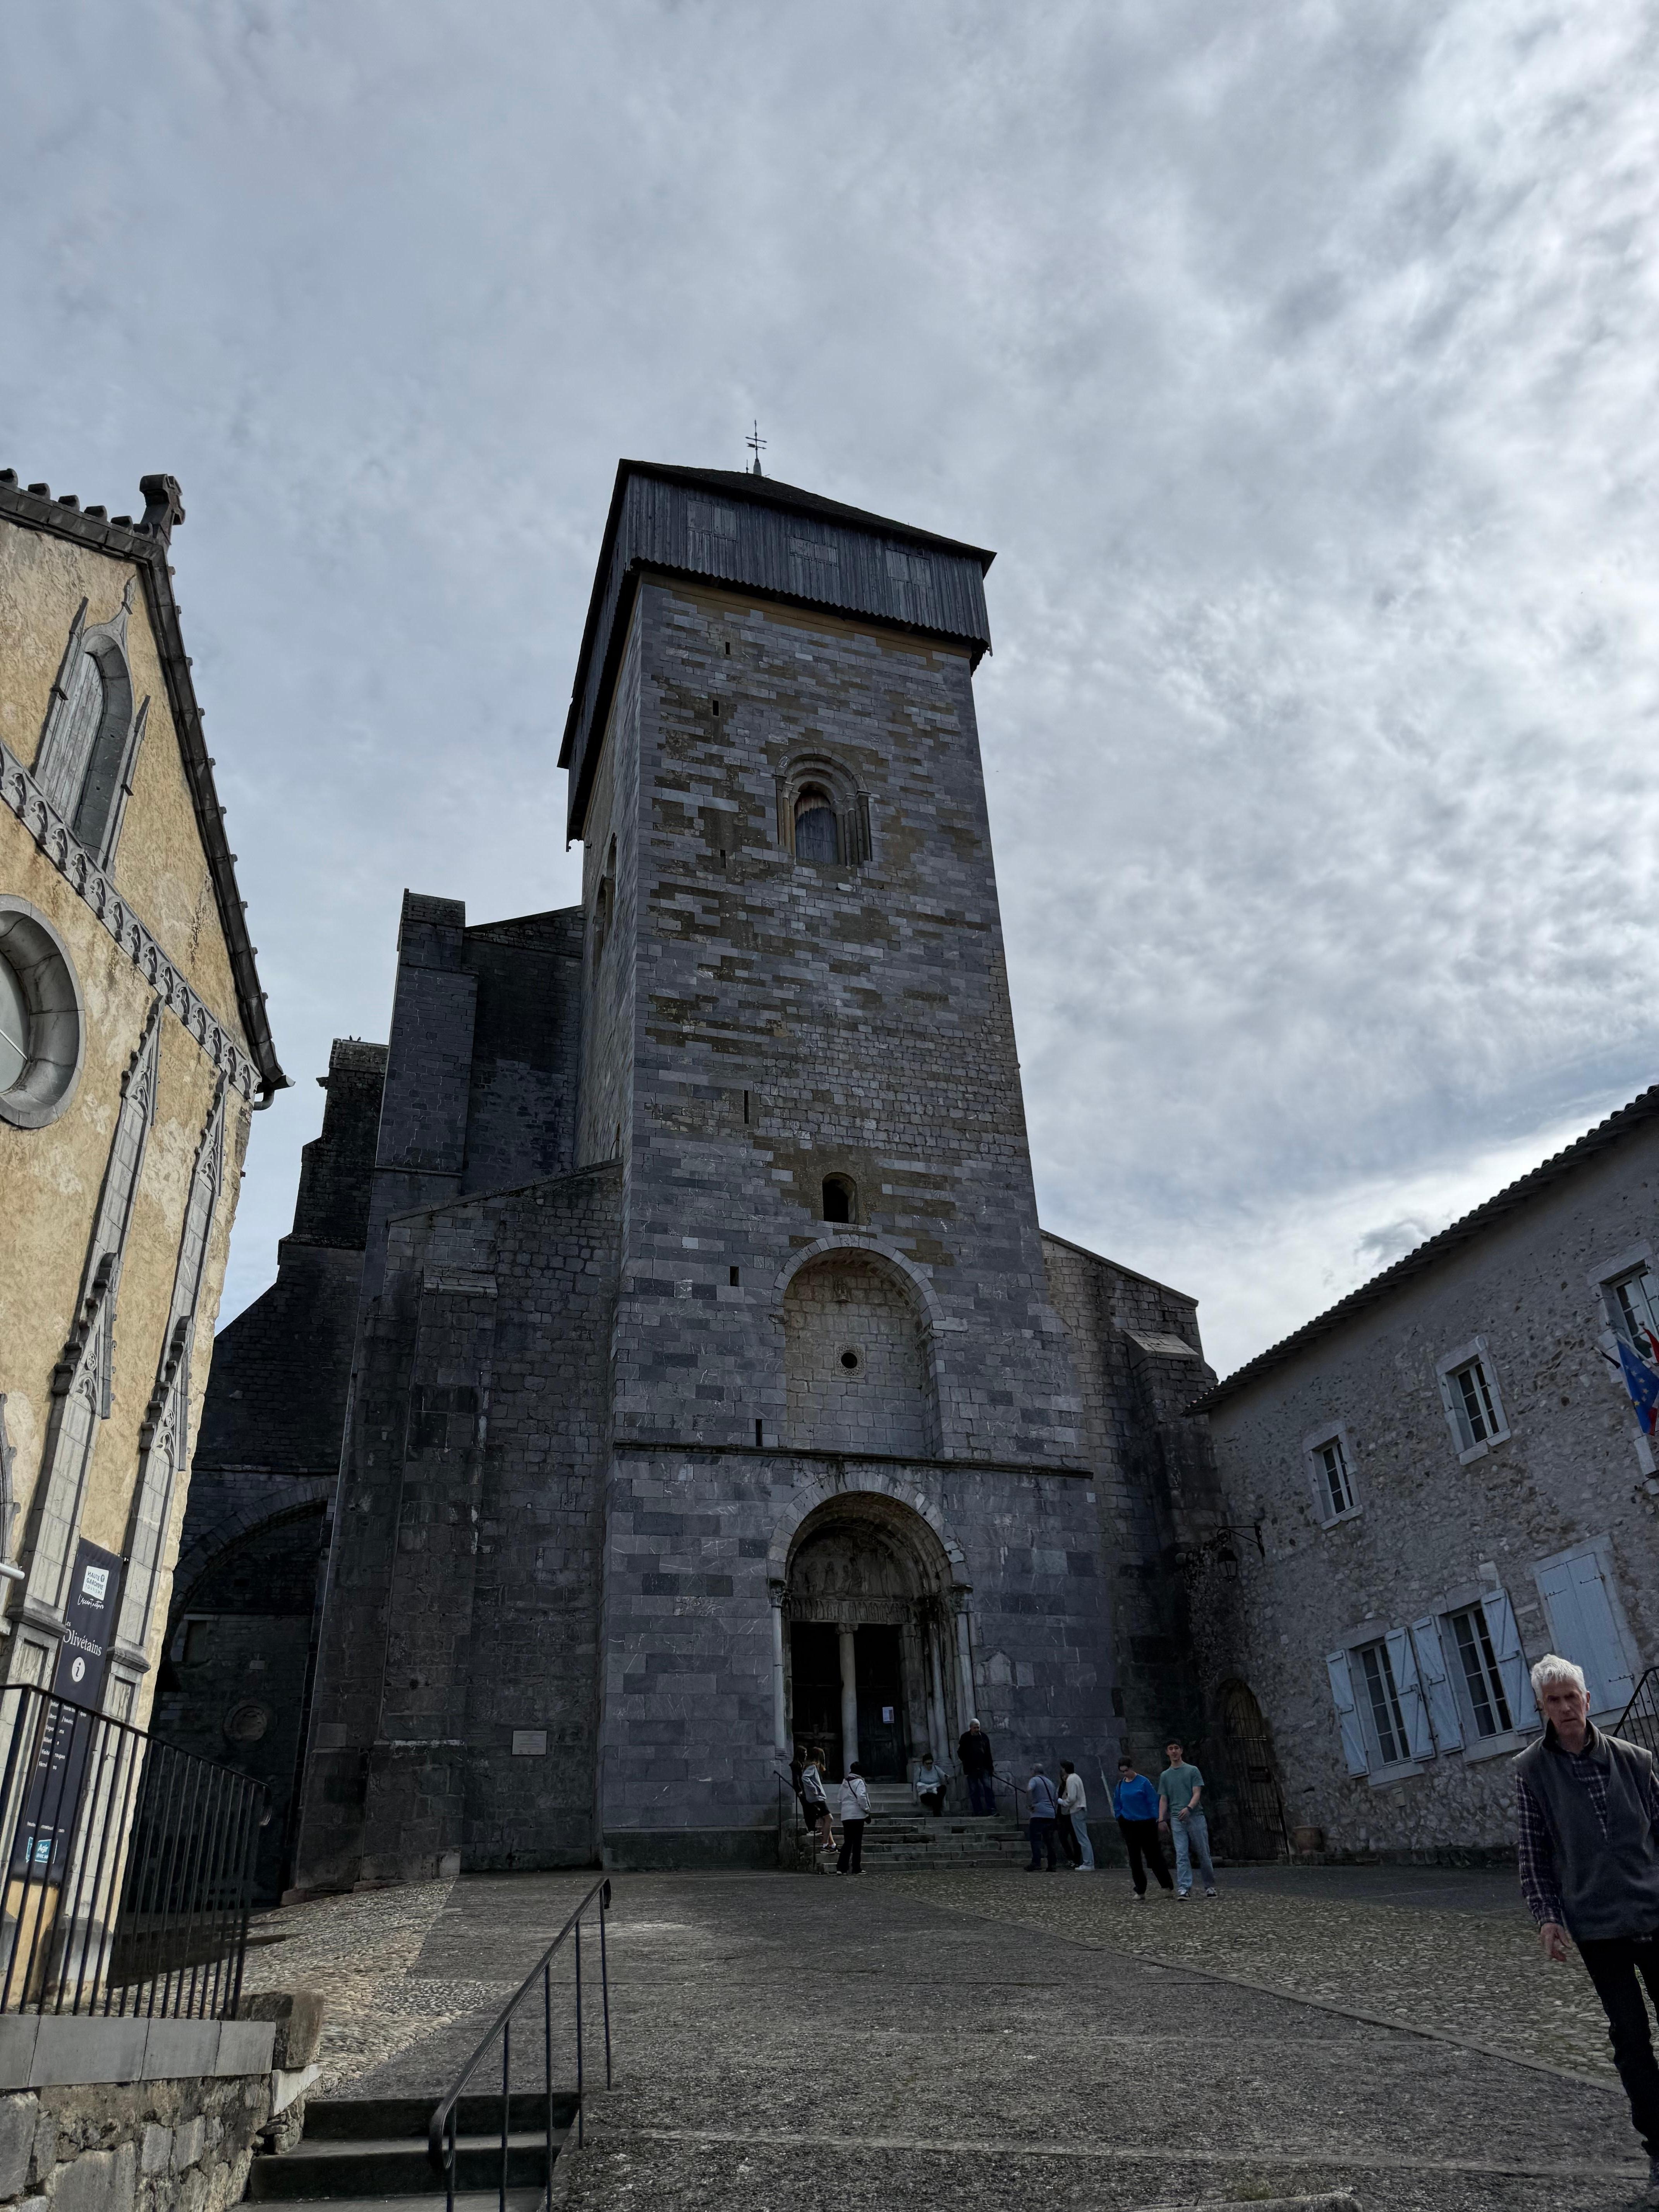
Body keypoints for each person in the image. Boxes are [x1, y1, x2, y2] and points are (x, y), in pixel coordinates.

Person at [1518, 1652, 1659, 2203]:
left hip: (1654, 1911)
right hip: (1598, 1925)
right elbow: (1535, 1855)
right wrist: (1549, 1918)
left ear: (1588, 1699)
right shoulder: (1532, 1772)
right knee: (1632, 2040)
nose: (1565, 1707)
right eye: (1553, 1701)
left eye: (1571, 1696)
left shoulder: (1637, 1761)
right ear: (1543, 1709)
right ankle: (1658, 2150)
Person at [1158, 1738, 1217, 1899]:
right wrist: (1161, 1819)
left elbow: (1197, 1792)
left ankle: (1210, 1886)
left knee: (1203, 1853)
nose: (1174, 1751)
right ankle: (1184, 1888)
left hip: (1195, 1816)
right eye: (1171, 1749)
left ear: (1181, 1751)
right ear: (1167, 1752)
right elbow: (1164, 1798)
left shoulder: (1192, 1771)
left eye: (1177, 1748)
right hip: (1177, 1819)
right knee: (1182, 1854)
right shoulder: (1165, 1776)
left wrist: (1189, 1808)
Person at [1113, 1755, 1173, 1898]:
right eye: (1122, 1772)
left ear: (1131, 1768)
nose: (1125, 1774)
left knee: (1153, 1856)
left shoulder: (1144, 1782)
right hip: (1129, 1824)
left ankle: (1166, 1885)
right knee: (1135, 1859)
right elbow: (1117, 1803)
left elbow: (1153, 1802)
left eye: (1126, 1770)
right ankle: (1140, 1889)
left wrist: (1159, 1819)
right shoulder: (1121, 1785)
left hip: (1146, 1824)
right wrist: (1119, 1817)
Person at [1058, 1760, 1094, 1871]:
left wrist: (1062, 1802)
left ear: (1065, 1769)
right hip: (1080, 1809)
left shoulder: (1071, 1779)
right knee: (1083, 1838)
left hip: (1077, 1810)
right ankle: (1089, 1862)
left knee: (1082, 1838)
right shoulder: (1076, 1778)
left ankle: (1088, 1863)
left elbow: (1072, 1798)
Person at [800, 1746, 835, 1857]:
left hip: (816, 1799)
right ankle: (825, 1846)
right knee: (829, 1819)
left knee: (825, 1821)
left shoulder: (811, 1767)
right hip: (817, 1799)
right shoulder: (813, 1767)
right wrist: (815, 1789)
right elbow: (805, 1778)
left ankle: (832, 1845)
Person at [1025, 1760, 1060, 1871]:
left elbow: (1029, 1790)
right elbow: (1055, 1798)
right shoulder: (1050, 1782)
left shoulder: (1034, 1780)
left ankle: (1036, 1862)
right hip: (1051, 1814)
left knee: (1035, 1839)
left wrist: (1030, 1805)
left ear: (1034, 1771)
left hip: (1038, 1814)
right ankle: (1052, 1864)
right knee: (1049, 1841)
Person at [837, 1762, 870, 1875]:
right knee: (857, 1843)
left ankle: (841, 1867)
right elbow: (862, 1797)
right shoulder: (859, 1782)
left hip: (846, 1816)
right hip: (857, 1816)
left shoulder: (844, 1782)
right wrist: (867, 1810)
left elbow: (839, 1798)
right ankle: (856, 1868)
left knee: (848, 1842)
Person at [959, 1718, 996, 1816]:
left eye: (978, 1727)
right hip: (971, 1769)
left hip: (984, 1768)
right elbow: (961, 1753)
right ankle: (978, 1811)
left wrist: (991, 1768)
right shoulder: (965, 1738)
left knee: (988, 1789)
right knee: (974, 1791)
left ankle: (992, 1810)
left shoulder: (984, 1737)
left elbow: (988, 1753)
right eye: (975, 1728)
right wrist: (967, 1762)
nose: (977, 1730)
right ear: (971, 1728)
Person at [913, 1750, 949, 1816]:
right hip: (925, 1792)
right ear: (924, 1764)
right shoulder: (920, 1770)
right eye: (928, 1764)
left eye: (931, 1763)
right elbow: (915, 1784)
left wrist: (946, 1777)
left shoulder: (935, 1768)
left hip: (936, 1790)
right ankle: (938, 1815)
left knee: (943, 1788)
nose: (930, 1765)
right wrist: (915, 1798)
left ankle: (937, 1814)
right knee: (935, 1798)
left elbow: (943, 1775)